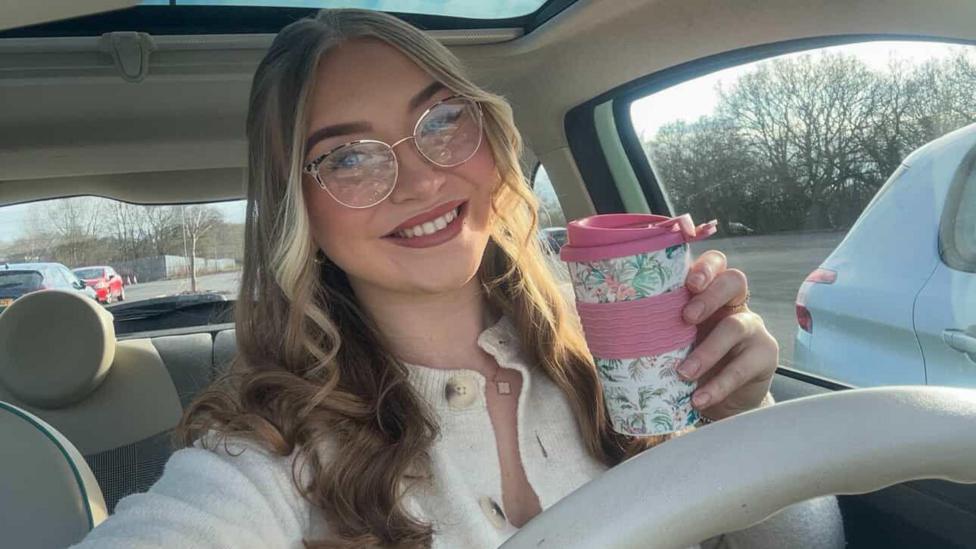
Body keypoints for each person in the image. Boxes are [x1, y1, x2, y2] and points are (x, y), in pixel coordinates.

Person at [74, 9, 843, 549]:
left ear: (487, 133)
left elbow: (801, 542)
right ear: (296, 211)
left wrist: (745, 416)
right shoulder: (272, 448)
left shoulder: (617, 355)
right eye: (348, 157)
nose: (419, 179)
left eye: (441, 120)